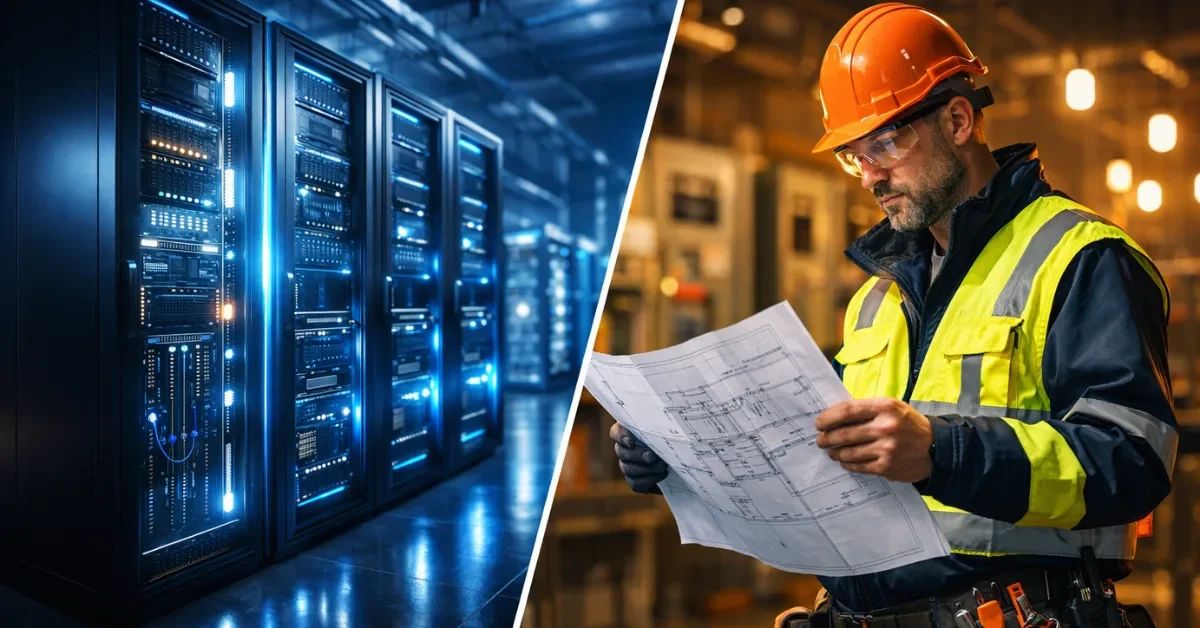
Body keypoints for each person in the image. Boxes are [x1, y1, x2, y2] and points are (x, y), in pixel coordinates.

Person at [609, 3, 1176, 627]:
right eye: (855, 155)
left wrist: (943, 453)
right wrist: (679, 458)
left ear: (959, 119)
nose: (871, 177)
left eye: (886, 142)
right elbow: (810, 452)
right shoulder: (877, 299)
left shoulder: (1078, 257)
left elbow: (1132, 460)